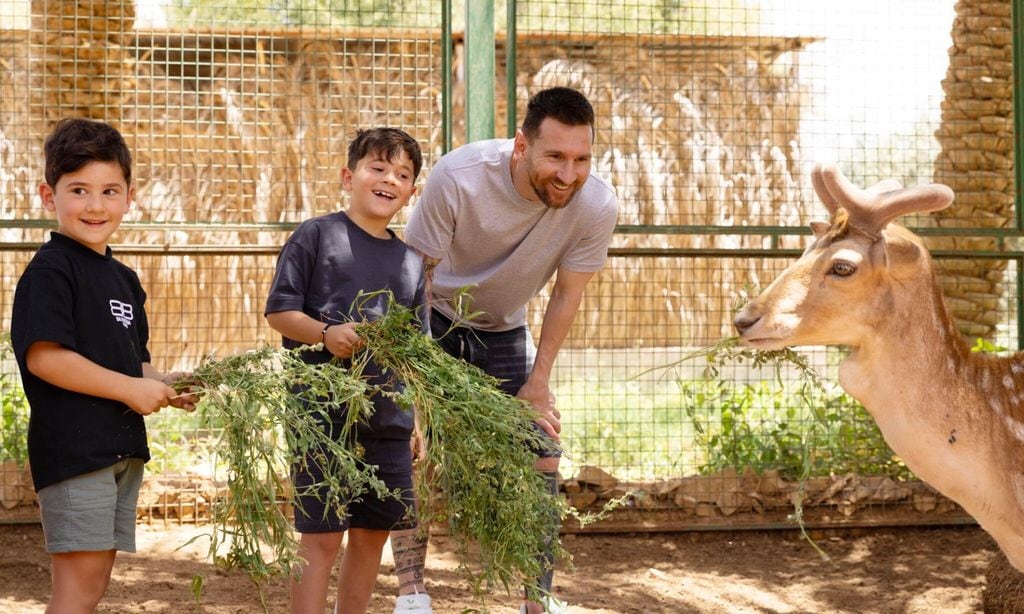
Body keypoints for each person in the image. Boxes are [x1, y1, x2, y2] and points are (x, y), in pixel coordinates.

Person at [398, 86, 618, 614]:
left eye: (582, 158)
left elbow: (567, 296)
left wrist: (538, 385)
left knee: (542, 447)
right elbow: (414, 284)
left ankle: (537, 601)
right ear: (522, 145)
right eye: (556, 157)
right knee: (415, 453)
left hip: (503, 328)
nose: (568, 174)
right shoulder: (459, 177)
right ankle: (411, 593)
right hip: (436, 319)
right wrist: (415, 384)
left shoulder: (597, 205)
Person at [10, 117, 198, 614]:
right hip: (76, 450)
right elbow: (45, 358)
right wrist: (128, 390)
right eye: (79, 190)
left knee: (94, 585)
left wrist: (168, 384)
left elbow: (134, 363)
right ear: (48, 196)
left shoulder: (123, 279)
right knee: (77, 587)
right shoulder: (52, 270)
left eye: (109, 190)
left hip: (119, 449)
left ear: (129, 197)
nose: (96, 205)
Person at [264, 127, 429, 614]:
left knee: (372, 535)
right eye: (377, 168)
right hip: (322, 416)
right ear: (348, 176)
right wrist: (323, 334)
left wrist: (415, 417)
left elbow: (413, 355)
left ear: (411, 191)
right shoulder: (317, 235)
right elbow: (279, 312)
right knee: (321, 537)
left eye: (402, 174)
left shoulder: (411, 262)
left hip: (388, 421)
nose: (388, 180)